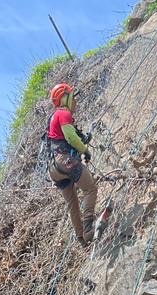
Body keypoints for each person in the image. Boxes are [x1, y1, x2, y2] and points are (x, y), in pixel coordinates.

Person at [47, 83, 98, 246]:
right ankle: (89, 229)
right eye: (72, 96)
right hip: (65, 161)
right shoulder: (63, 113)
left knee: (72, 204)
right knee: (90, 188)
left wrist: (81, 139)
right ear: (64, 98)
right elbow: (70, 137)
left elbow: (67, 136)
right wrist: (85, 150)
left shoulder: (54, 117)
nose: (75, 101)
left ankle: (81, 240)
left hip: (55, 169)